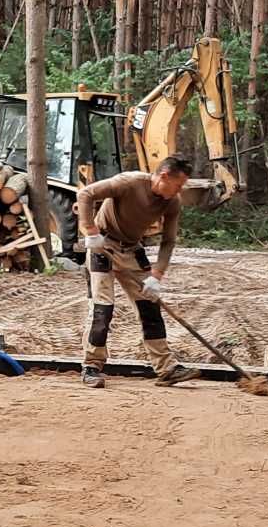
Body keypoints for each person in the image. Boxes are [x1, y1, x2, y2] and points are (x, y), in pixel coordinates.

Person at [78, 157, 201, 389]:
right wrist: (91, 231)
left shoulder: (172, 202)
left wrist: (157, 276)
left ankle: (167, 369)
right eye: (178, 184)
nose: (180, 190)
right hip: (102, 246)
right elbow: (85, 195)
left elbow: (169, 241)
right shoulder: (129, 182)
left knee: (150, 307)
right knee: (102, 308)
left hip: (132, 249)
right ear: (164, 176)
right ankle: (91, 367)